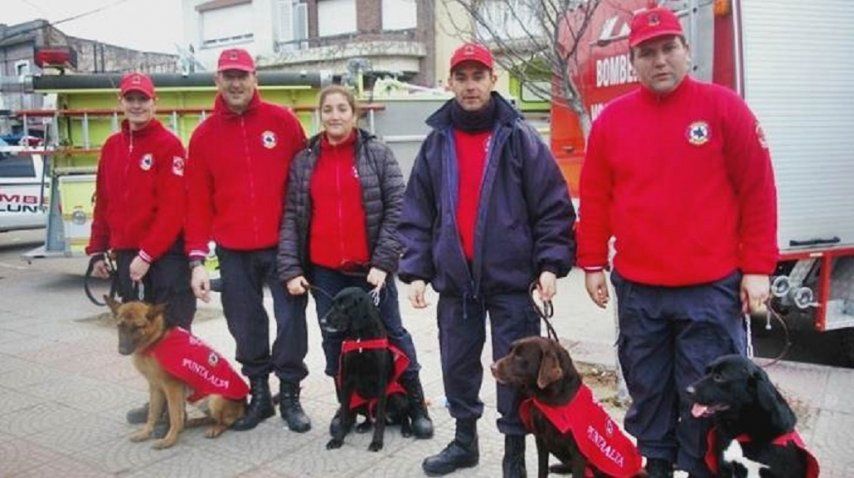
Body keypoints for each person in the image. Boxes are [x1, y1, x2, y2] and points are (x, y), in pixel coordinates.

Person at [576, 6, 778, 478]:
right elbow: (597, 197)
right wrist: (590, 262)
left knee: (705, 393)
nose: (659, 60)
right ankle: (657, 464)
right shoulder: (613, 122)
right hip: (639, 290)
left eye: (669, 48)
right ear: (633, 61)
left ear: (686, 51)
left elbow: (758, 191)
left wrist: (758, 268)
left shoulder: (725, 108)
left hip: (709, 291)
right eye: (647, 52)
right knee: (647, 386)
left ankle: (702, 467)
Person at [398, 43, 576, 477]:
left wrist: (550, 264)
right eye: (462, 77)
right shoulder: (437, 143)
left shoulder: (518, 137)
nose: (471, 85)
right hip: (457, 284)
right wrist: (417, 269)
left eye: (479, 76)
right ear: (450, 82)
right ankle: (464, 442)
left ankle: (515, 452)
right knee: (457, 363)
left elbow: (552, 205)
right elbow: (418, 210)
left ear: (493, 81)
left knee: (518, 371)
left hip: (512, 282)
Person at [276, 85, 434, 439]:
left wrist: (383, 261)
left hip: (371, 270)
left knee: (392, 332)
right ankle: (347, 406)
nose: (334, 116)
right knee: (335, 341)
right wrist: (291, 269)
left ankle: (415, 402)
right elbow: (292, 215)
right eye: (328, 109)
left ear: (355, 113)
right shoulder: (304, 160)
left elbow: (398, 207)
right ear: (320, 114)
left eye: (342, 109)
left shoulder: (376, 153)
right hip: (324, 272)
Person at [184, 48, 310, 432]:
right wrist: (197, 260)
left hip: (283, 245)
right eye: (228, 75)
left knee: (291, 321)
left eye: (242, 75)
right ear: (216, 81)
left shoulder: (283, 122)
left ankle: (289, 395)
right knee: (245, 323)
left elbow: (305, 182)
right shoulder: (204, 136)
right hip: (233, 250)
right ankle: (260, 394)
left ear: (255, 78)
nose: (236, 83)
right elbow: (197, 201)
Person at [86, 71, 196, 429]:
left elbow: (173, 209)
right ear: (121, 102)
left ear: (154, 102)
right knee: (140, 335)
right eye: (130, 98)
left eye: (143, 99)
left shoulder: (168, 145)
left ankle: (172, 409)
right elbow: (103, 200)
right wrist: (98, 249)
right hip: (127, 252)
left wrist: (147, 255)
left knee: (170, 333)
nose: (136, 105)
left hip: (165, 255)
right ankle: (158, 400)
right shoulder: (112, 147)